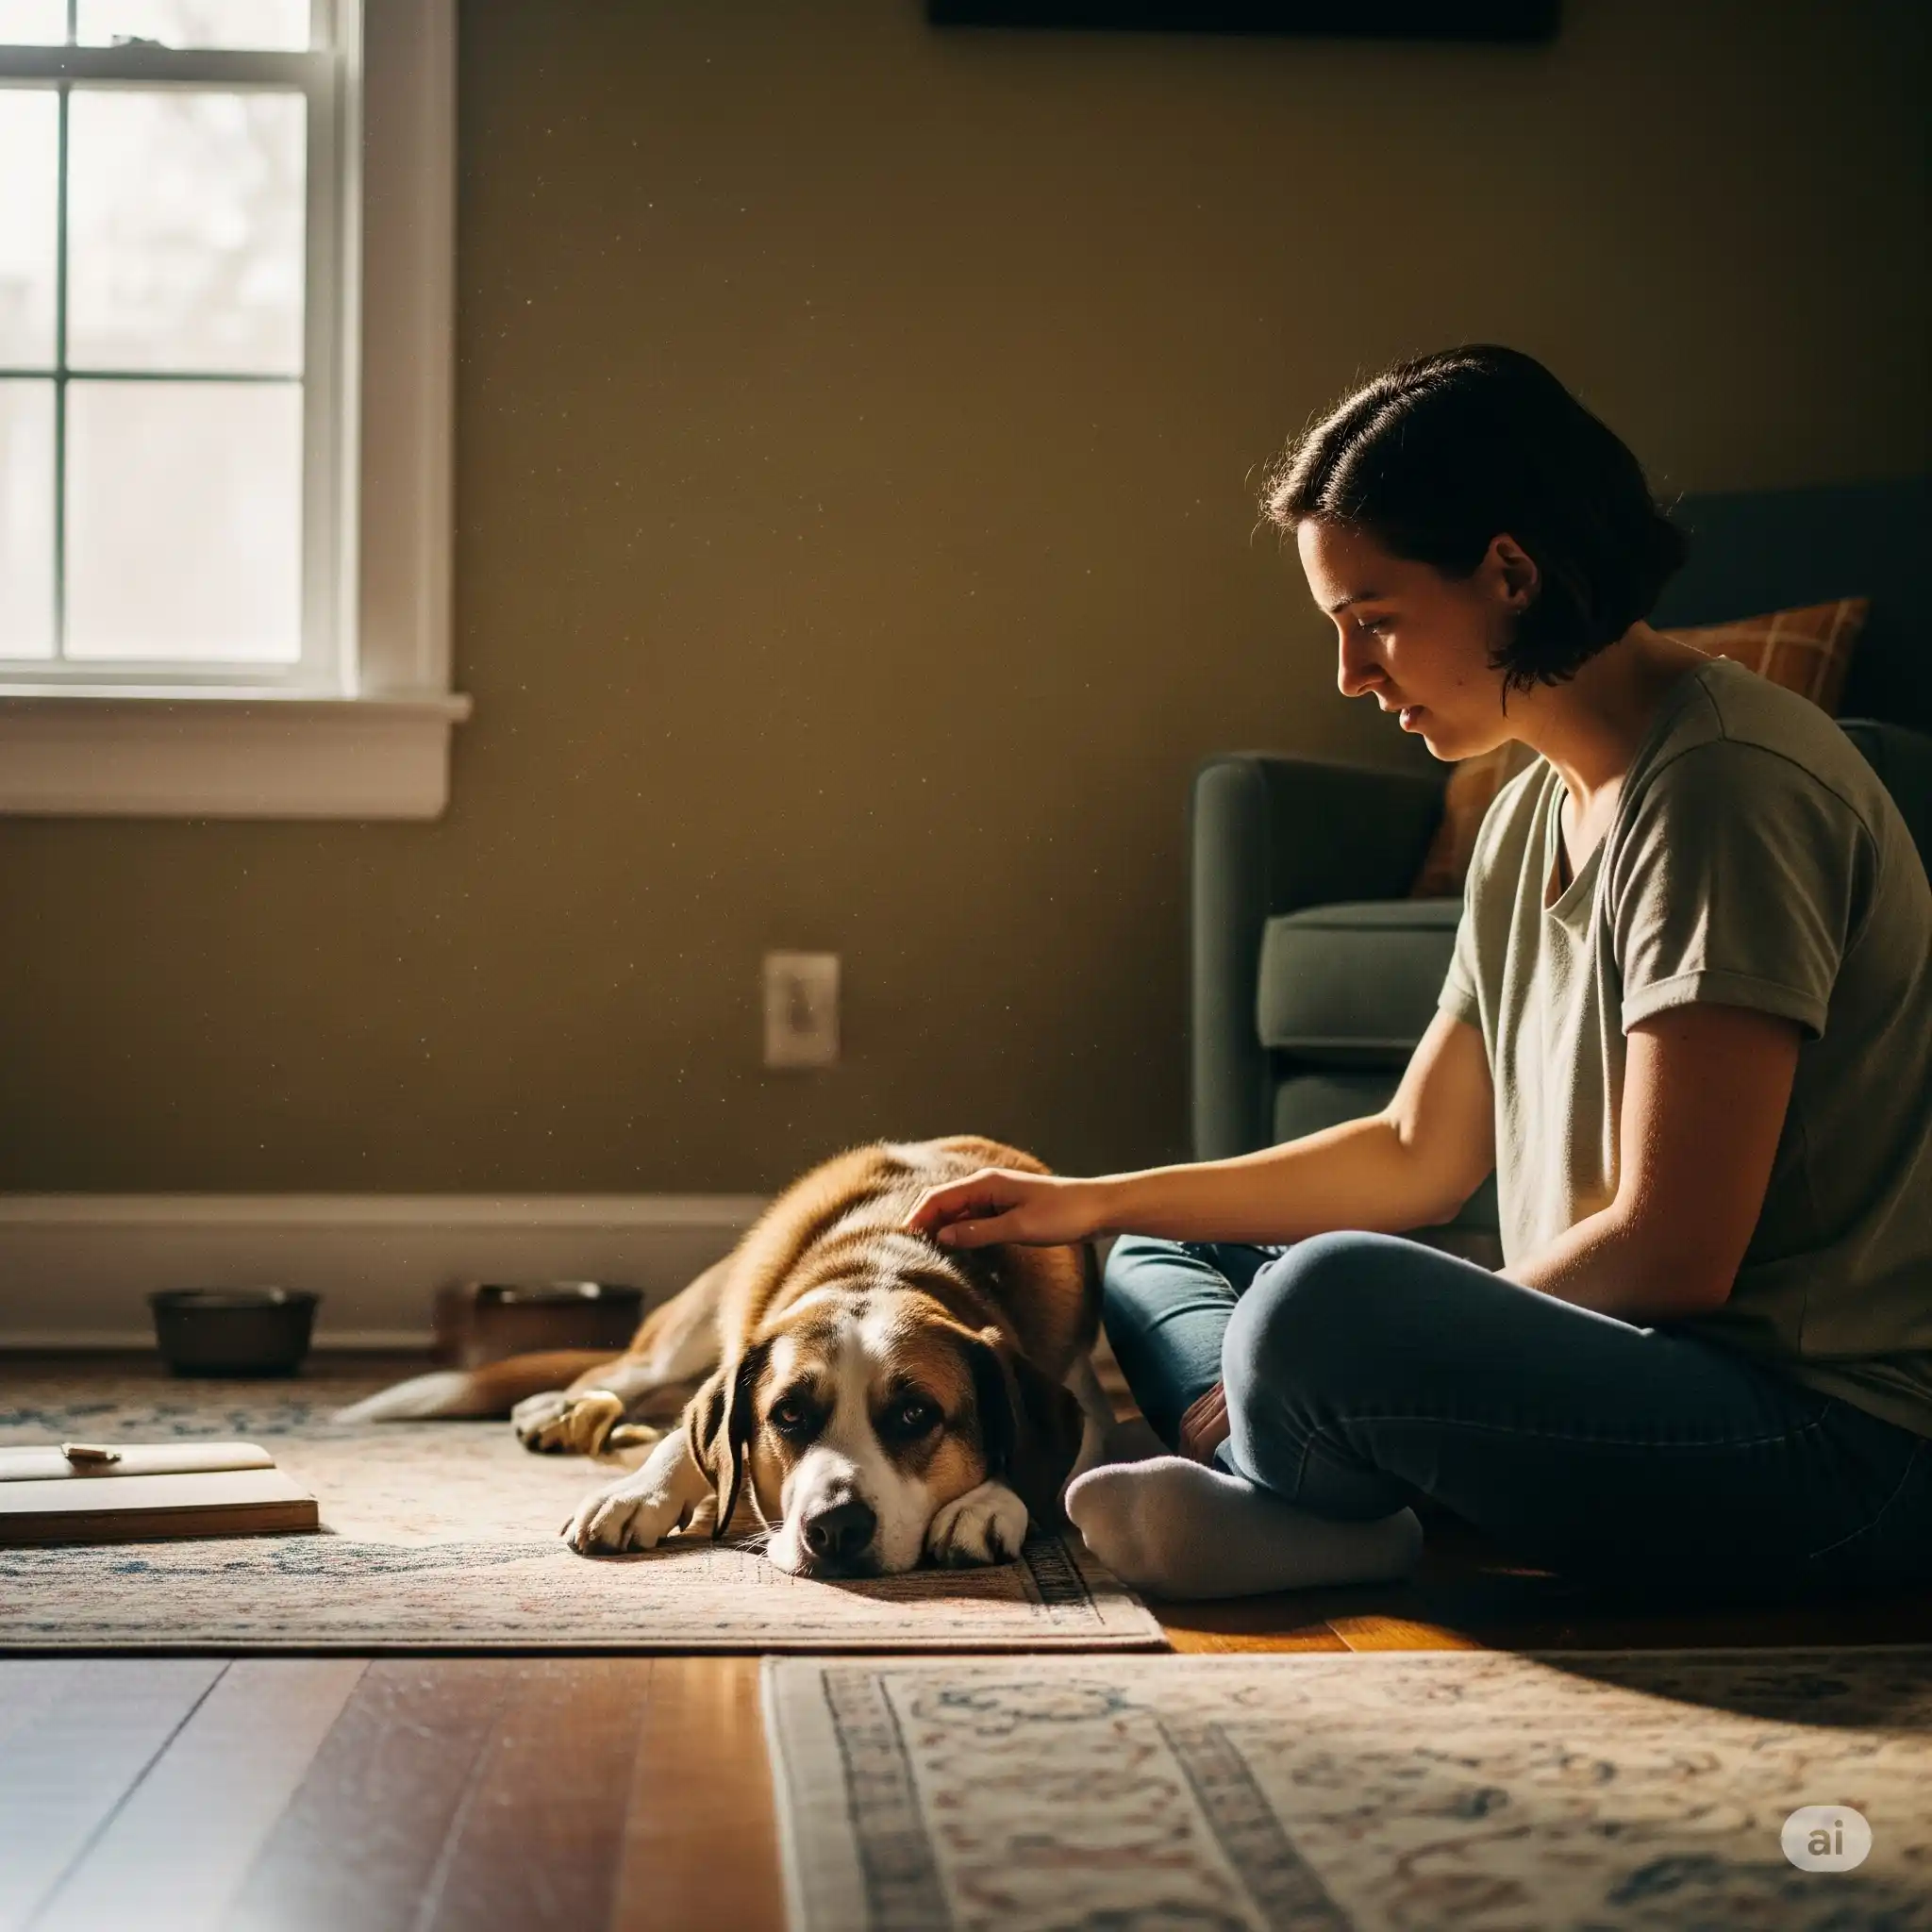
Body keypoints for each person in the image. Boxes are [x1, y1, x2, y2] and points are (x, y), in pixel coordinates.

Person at [904, 344, 1932, 1605]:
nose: (1351, 676)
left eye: (1373, 621)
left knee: (1323, 1303)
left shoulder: (1726, 788)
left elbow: (1675, 1254)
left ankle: (1297, 1484)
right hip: (1619, 1370)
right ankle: (1328, 1506)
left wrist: (1346, 1343)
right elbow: (1416, 1151)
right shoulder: (1527, 811)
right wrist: (1089, 1199)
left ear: (1509, 574)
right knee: (1156, 1252)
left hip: (1822, 1447)